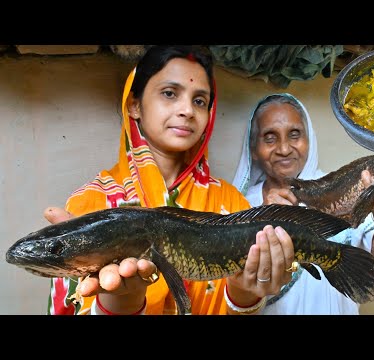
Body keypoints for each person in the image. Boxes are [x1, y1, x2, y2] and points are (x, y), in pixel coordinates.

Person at [45, 46, 297, 315]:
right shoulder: (91, 204)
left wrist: (244, 296)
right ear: (134, 104)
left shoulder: (230, 203)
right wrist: (118, 304)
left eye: (200, 101)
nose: (187, 110)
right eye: (169, 94)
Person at [232, 93, 374, 314]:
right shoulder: (240, 206)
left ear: (309, 140)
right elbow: (237, 292)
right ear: (254, 149)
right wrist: (266, 220)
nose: (284, 148)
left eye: (294, 134)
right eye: (270, 137)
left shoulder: (341, 193)